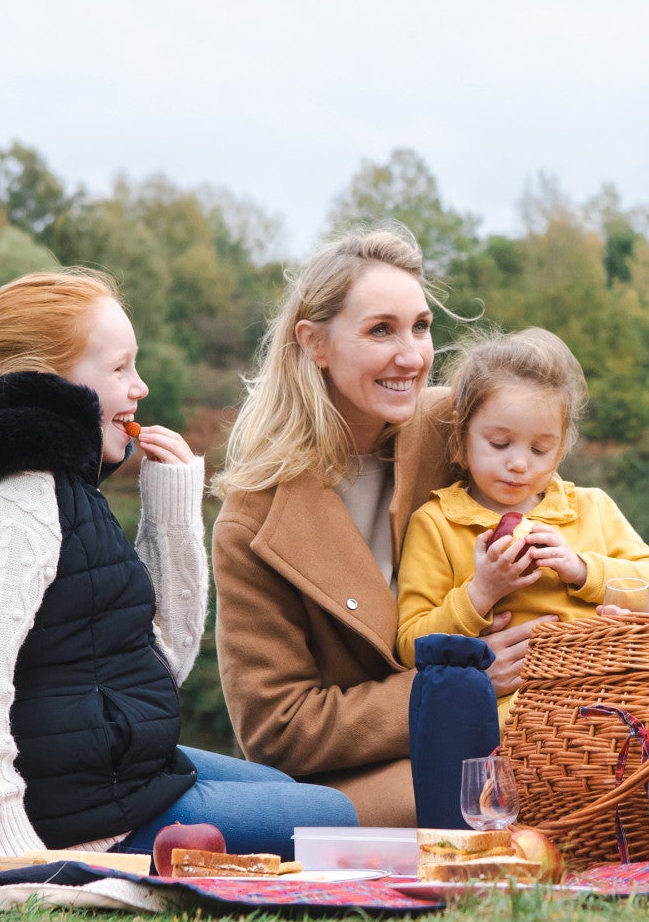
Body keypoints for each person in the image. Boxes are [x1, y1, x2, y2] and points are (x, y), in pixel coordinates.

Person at [0, 270, 355, 862]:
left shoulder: (67, 492)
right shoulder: (8, 505)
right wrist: (9, 854)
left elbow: (161, 663)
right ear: (48, 380)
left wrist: (171, 505)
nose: (140, 386)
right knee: (333, 818)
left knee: (294, 796)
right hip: (75, 824)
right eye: (119, 369)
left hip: (118, 783)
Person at [210, 227, 550, 826]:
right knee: (503, 798)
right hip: (362, 784)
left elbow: (570, 513)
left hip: (522, 726)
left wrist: (605, 595)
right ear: (314, 343)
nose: (412, 355)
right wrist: (452, 690)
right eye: (380, 330)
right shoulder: (255, 519)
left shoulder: (466, 430)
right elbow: (277, 729)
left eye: (420, 327)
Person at [393, 328, 649, 816]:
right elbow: (410, 644)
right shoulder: (438, 523)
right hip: (514, 724)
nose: (518, 465)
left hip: (609, 701)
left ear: (562, 448)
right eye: (500, 443)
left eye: (540, 450)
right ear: (462, 437)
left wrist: (582, 569)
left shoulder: (589, 509)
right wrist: (480, 593)